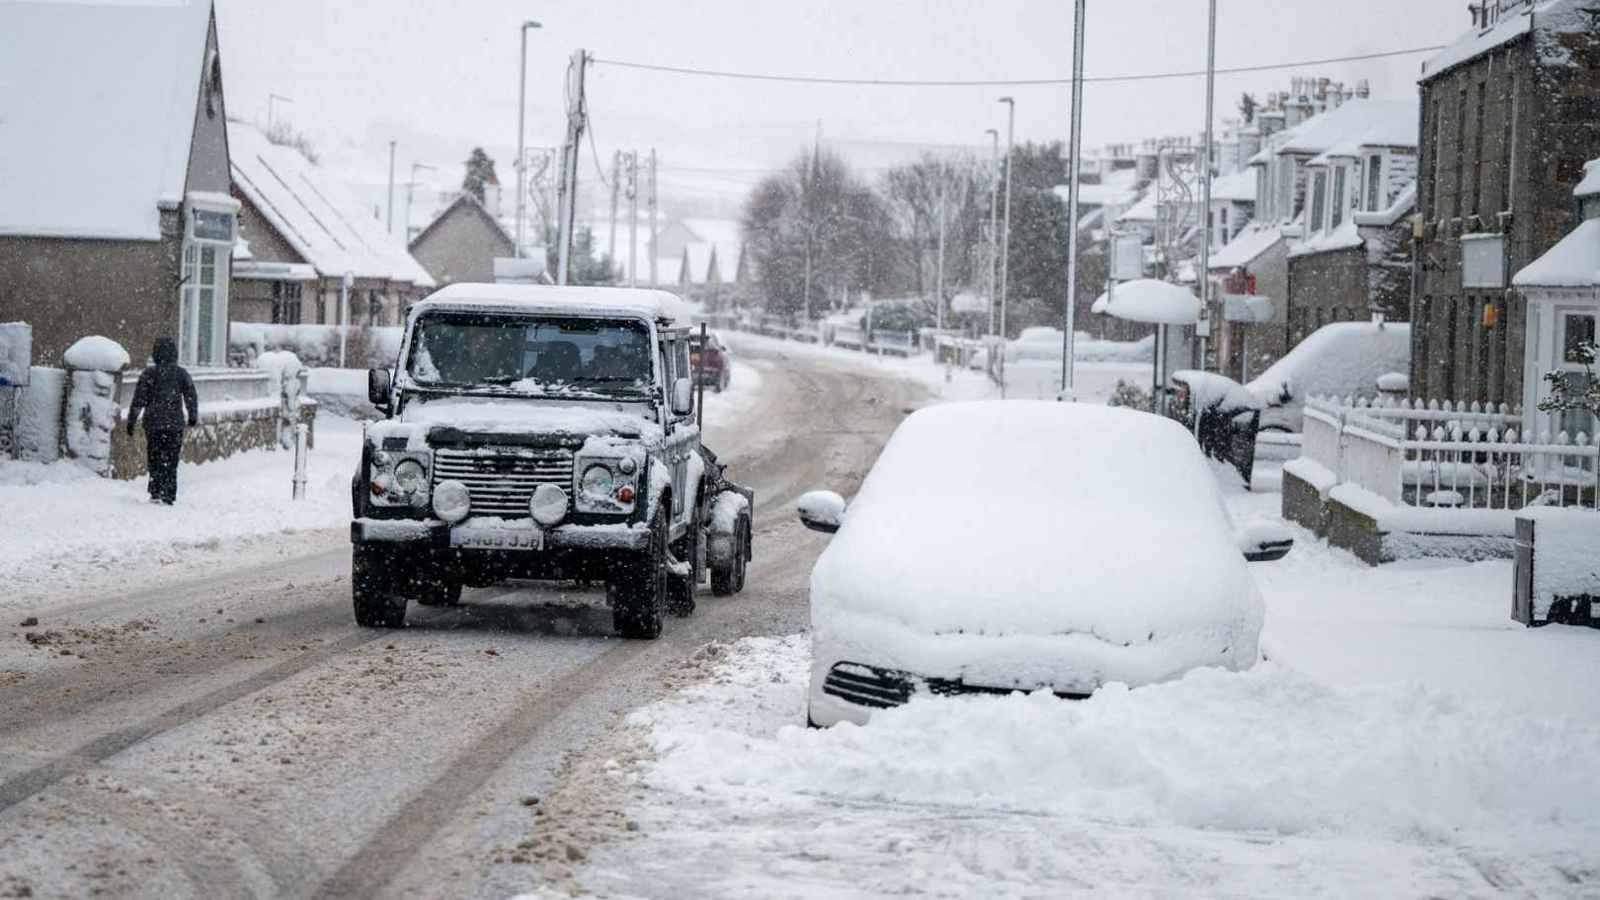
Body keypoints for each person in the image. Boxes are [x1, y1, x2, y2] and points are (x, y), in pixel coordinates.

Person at [126, 337, 199, 505]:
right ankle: (169, 491)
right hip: (174, 423)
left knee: (155, 455)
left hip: (153, 423)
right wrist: (192, 415)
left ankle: (156, 488)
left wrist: (131, 421)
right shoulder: (181, 374)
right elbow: (190, 396)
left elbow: (139, 400)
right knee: (171, 458)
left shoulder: (149, 374)